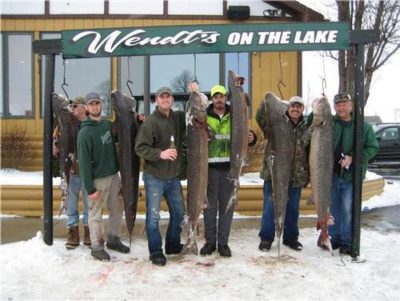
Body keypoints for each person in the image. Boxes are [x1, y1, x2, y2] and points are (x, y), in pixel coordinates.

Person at [200, 84, 256, 257]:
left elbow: (244, 133)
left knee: (227, 207)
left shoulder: (235, 115)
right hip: (208, 169)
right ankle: (210, 242)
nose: (219, 99)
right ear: (212, 99)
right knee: (209, 208)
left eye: (222, 96)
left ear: (226, 98)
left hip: (229, 169)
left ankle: (223, 243)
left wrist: (251, 137)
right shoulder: (204, 116)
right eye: (216, 96)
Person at [135, 87, 186, 266]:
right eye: (161, 97)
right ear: (156, 100)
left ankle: (172, 245)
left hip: (173, 177)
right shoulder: (150, 122)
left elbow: (196, 114)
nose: (165, 100)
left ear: (172, 99)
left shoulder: (179, 118)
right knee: (153, 217)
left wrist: (195, 93)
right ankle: (156, 251)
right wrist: (160, 154)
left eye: (168, 96)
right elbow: (140, 148)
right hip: (154, 177)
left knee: (179, 213)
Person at [77, 92, 130, 261]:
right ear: (86, 107)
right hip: (97, 179)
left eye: (97, 103)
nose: (94, 106)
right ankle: (97, 246)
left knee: (117, 208)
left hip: (114, 176)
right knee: (96, 213)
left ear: (101, 105)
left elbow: (122, 126)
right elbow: (83, 163)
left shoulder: (107, 125)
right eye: (91, 104)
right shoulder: (84, 133)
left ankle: (114, 239)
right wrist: (89, 187)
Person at [325, 93, 378, 255]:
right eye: (338, 104)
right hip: (331, 174)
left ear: (351, 106)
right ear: (334, 107)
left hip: (351, 176)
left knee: (348, 209)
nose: (341, 107)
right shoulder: (329, 123)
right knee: (334, 208)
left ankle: (347, 241)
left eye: (344, 104)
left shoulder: (363, 126)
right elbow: (313, 121)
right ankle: (335, 238)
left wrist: (353, 157)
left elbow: (372, 148)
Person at [256, 96, 309, 252]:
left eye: (299, 107)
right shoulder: (275, 125)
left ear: (302, 110)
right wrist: (267, 99)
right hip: (274, 176)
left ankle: (291, 238)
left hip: (295, 177)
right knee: (270, 208)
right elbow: (259, 117)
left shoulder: (305, 128)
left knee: (292, 210)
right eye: (293, 106)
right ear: (288, 108)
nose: (295, 109)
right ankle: (266, 239)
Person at [53, 96, 91, 249]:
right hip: (72, 172)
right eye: (71, 106)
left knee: (91, 205)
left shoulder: (92, 123)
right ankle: (73, 232)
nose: (72, 109)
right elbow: (56, 141)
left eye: (75, 106)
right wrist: (55, 145)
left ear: (84, 107)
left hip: (89, 172)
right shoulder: (63, 124)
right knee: (71, 204)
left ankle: (89, 232)